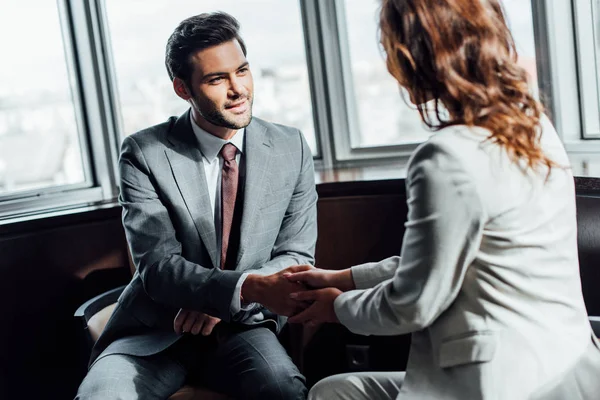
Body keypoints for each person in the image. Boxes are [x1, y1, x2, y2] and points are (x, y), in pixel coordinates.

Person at [285, 0, 600, 399]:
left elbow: (412, 303)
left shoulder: (447, 156)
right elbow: (454, 257)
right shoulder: (533, 124)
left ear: (411, 56)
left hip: (497, 383)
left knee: (332, 392)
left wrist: (336, 307)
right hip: (568, 367)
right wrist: (343, 278)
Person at [76, 11, 316, 400]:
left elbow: (295, 254)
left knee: (282, 389)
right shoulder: (144, 153)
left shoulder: (291, 148)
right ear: (182, 89)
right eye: (217, 79)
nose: (238, 89)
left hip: (243, 327)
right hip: (154, 331)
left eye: (242, 71)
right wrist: (235, 287)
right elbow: (157, 267)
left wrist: (232, 297)